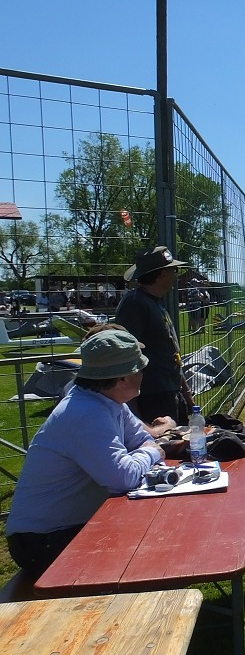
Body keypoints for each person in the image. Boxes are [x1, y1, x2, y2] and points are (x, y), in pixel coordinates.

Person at [4, 329, 166, 577]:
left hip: (60, 529)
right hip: (43, 540)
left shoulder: (105, 401)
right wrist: (152, 453)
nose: (143, 374)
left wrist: (146, 451)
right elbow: (123, 476)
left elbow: (141, 440)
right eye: (139, 369)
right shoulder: (85, 413)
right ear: (122, 378)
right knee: (147, 542)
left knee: (150, 528)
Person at [116, 246, 193, 424]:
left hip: (169, 391)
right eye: (174, 270)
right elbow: (125, 358)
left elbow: (169, 351)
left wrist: (186, 393)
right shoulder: (135, 304)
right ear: (162, 274)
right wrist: (136, 417)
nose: (176, 274)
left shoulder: (154, 302)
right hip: (152, 398)